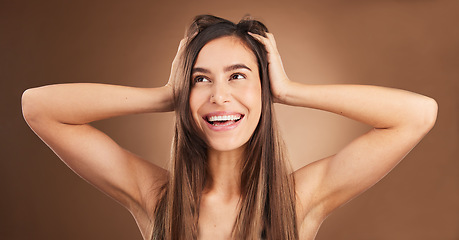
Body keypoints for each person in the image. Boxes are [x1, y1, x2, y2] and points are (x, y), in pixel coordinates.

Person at [21, 15, 438, 240]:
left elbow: (417, 114)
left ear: (264, 91)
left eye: (238, 76)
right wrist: (168, 94)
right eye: (201, 79)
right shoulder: (157, 198)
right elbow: (38, 107)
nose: (219, 96)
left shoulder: (297, 201)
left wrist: (291, 91)